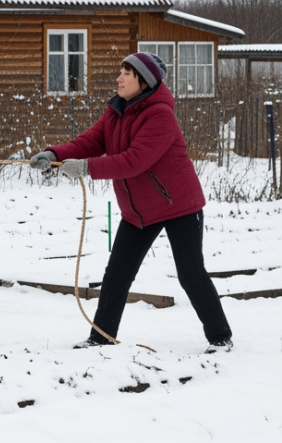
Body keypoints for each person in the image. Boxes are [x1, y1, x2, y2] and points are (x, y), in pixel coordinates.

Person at [28, 52, 232, 353]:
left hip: (179, 206)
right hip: (139, 211)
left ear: (144, 81)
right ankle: (101, 338)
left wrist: (87, 168)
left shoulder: (161, 115)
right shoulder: (116, 111)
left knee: (191, 274)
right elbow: (90, 141)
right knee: (117, 274)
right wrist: (55, 154)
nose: (119, 78)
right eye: (120, 71)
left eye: (126, 73)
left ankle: (220, 338)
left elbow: (135, 161)